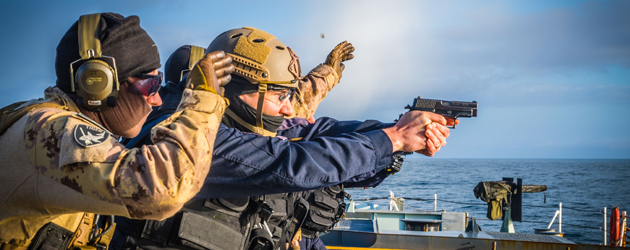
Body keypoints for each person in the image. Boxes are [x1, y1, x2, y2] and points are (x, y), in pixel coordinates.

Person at [114, 27, 452, 250]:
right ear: (232, 92)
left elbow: (320, 133)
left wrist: (403, 130)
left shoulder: (252, 123)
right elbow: (290, 163)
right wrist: (392, 139)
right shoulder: (187, 136)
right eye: (280, 97)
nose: (291, 110)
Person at [0, 13, 234, 250]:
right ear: (97, 83)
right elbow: (164, 189)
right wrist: (201, 100)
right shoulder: (49, 132)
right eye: (150, 85)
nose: (157, 101)